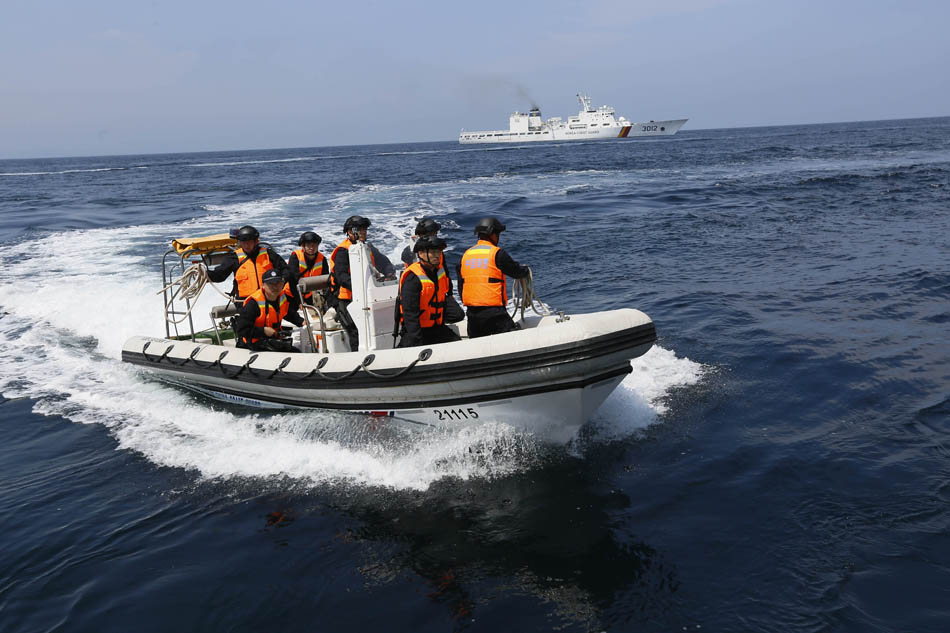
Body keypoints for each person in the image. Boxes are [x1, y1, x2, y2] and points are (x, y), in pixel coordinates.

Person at [328, 215, 395, 351]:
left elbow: (384, 263)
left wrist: (390, 274)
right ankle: (357, 357)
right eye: (360, 230)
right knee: (356, 331)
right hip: (345, 299)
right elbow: (341, 276)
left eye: (365, 229)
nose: (364, 232)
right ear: (350, 232)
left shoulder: (367, 247)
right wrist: (359, 287)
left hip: (366, 296)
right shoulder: (343, 251)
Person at [457, 216, 529, 338]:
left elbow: (461, 285)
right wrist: (525, 270)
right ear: (492, 234)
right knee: (512, 338)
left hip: (473, 315)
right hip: (495, 314)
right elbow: (516, 272)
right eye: (498, 234)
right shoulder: (497, 253)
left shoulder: (466, 255)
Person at [397, 237, 461, 348]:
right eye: (433, 252)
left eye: (439, 252)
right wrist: (417, 342)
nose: (437, 255)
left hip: (436, 327)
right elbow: (410, 315)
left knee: (457, 345)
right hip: (417, 331)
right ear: (421, 254)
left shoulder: (439, 272)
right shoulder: (413, 278)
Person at [207, 225, 288, 303]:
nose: (246, 245)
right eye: (243, 242)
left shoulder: (268, 255)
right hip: (245, 302)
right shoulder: (234, 258)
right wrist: (206, 274)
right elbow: (220, 275)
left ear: (256, 241)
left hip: (269, 299)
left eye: (249, 242)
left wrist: (281, 282)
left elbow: (285, 269)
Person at [234, 269, 304, 352]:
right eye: (271, 284)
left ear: (282, 284)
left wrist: (301, 322)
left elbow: (288, 313)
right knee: (295, 352)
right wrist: (263, 331)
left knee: (296, 351)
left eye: (278, 283)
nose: (275, 287)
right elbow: (242, 329)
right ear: (263, 285)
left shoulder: (281, 298)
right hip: (252, 344)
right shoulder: (253, 303)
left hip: (271, 340)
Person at [287, 231, 328, 305]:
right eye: (308, 244)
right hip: (291, 295)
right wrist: (300, 301)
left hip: (310, 295)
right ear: (303, 246)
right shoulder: (295, 257)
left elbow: (325, 281)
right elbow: (292, 282)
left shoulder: (322, 259)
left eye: (314, 244)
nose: (312, 247)